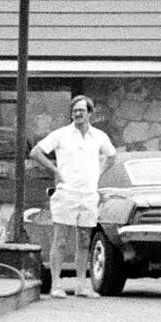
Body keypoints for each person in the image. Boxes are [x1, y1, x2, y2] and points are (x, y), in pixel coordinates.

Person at [30, 96, 115, 298]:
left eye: (82, 110)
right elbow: (36, 152)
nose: (78, 114)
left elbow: (111, 156)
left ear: (90, 113)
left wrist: (98, 175)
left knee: (85, 240)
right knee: (61, 240)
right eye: (75, 110)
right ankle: (56, 285)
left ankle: (81, 285)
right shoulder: (61, 134)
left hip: (89, 195)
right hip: (66, 193)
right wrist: (55, 171)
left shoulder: (99, 136)